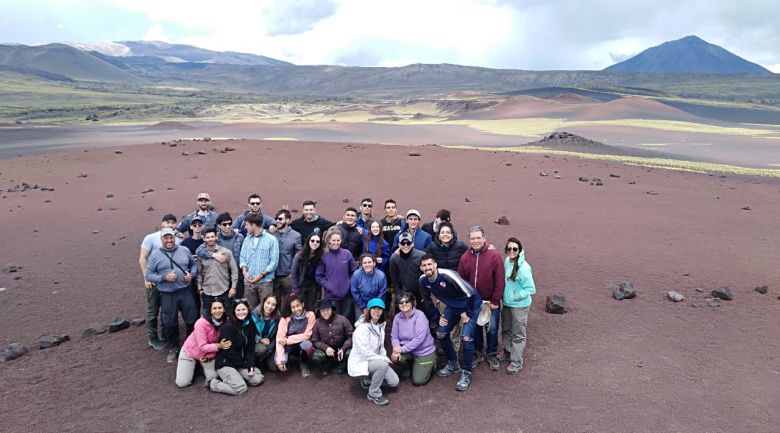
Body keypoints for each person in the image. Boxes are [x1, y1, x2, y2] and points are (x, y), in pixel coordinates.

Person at [419, 254, 482, 391]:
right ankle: (454, 364)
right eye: (424, 265)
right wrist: (437, 317)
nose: (427, 268)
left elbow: (469, 293)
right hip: (454, 306)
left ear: (435, 265)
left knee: (466, 337)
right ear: (421, 268)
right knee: (441, 334)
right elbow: (427, 301)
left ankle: (466, 372)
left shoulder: (448, 275)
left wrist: (466, 313)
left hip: (471, 305)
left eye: (429, 264)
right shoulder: (423, 280)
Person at [145, 228, 198, 363]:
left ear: (175, 238)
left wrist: (191, 275)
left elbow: (194, 265)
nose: (169, 240)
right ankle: (173, 348)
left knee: (192, 319)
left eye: (171, 238)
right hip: (167, 294)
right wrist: (164, 277)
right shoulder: (155, 255)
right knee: (169, 323)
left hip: (185, 291)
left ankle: (189, 345)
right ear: (162, 239)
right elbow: (149, 274)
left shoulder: (184, 250)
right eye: (166, 238)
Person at [457, 226, 505, 371]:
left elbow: (500, 280)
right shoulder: (465, 258)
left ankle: (491, 353)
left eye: (478, 238)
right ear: (469, 240)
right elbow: (462, 282)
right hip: (473, 302)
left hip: (490, 302)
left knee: (492, 328)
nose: (476, 241)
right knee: (476, 328)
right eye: (473, 238)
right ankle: (478, 352)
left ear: (484, 239)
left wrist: (496, 301)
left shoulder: (494, 255)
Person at [425, 221, 468, 352]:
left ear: (452, 234)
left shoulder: (460, 246)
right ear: (438, 234)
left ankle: (454, 347)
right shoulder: (432, 247)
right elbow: (424, 261)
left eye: (448, 232)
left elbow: (473, 254)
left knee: (455, 319)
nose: (445, 235)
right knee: (443, 317)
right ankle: (446, 345)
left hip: (456, 290)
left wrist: (489, 247)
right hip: (440, 291)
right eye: (442, 232)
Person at [139, 213, 179, 351]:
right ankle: (152, 338)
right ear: (162, 223)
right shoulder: (151, 238)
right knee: (153, 310)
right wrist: (146, 277)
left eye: (173, 222)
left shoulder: (177, 239)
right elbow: (143, 258)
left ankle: (164, 336)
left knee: (166, 309)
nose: (170, 225)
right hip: (154, 281)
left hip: (170, 282)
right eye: (167, 222)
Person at [348, 298, 399, 406]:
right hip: (361, 362)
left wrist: (383, 357)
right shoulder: (361, 328)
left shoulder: (380, 325)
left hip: (375, 361)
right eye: (374, 308)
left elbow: (381, 348)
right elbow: (365, 352)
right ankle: (373, 393)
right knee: (382, 364)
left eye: (380, 309)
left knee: (394, 382)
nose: (377, 311)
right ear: (368, 311)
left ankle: (369, 380)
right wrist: (383, 360)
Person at [210, 299, 264, 395]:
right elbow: (228, 353)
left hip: (240, 362)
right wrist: (245, 364)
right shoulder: (227, 327)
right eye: (238, 310)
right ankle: (214, 383)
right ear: (234, 311)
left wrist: (250, 364)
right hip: (226, 363)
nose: (241, 312)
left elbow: (250, 348)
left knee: (258, 379)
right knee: (241, 389)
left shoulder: (249, 325)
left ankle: (236, 377)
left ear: (247, 310)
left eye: (243, 309)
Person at [175, 300, 231, 388]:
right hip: (190, 352)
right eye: (214, 308)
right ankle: (191, 363)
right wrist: (219, 346)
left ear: (224, 309)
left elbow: (220, 344)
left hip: (207, 355)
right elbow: (203, 347)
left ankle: (199, 366)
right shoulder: (201, 323)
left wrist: (209, 356)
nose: (217, 311)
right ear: (210, 311)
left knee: (214, 376)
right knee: (182, 383)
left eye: (220, 308)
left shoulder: (226, 323)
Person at [502, 237, 536, 375]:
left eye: (515, 249)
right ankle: (508, 351)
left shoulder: (524, 268)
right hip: (507, 303)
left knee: (518, 334)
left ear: (519, 250)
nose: (512, 251)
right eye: (509, 248)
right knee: (506, 329)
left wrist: (516, 296)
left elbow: (531, 288)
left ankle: (516, 362)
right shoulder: (507, 261)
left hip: (519, 306)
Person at [390, 292, 436, 386]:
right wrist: (396, 348)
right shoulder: (397, 318)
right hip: (409, 351)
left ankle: (432, 362)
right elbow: (394, 337)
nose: (404, 304)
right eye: (401, 302)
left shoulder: (420, 316)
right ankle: (412, 366)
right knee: (394, 358)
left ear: (412, 303)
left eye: (407, 301)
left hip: (423, 352)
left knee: (418, 381)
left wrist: (401, 349)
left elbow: (419, 339)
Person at [316, 228, 358, 320]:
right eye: (333, 240)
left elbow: (354, 272)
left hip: (347, 295)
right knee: (334, 320)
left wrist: (349, 283)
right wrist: (328, 285)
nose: (336, 242)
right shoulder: (324, 255)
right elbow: (318, 276)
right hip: (331, 296)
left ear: (341, 240)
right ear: (329, 241)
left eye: (338, 240)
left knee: (346, 320)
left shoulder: (347, 254)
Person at [239, 213, 279, 309]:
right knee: (249, 310)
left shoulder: (271, 239)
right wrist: (244, 271)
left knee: (266, 310)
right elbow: (242, 257)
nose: (245, 227)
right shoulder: (247, 239)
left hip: (265, 282)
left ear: (253, 225)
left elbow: (274, 262)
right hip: (249, 282)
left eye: (247, 225)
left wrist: (261, 275)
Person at [197, 228, 238, 315]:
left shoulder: (226, 252)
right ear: (204, 239)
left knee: (227, 317)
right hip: (207, 292)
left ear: (216, 237)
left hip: (224, 291)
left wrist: (233, 287)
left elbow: (234, 270)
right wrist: (200, 288)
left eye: (212, 236)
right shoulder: (201, 255)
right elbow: (199, 273)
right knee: (207, 318)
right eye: (207, 237)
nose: (210, 239)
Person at [274, 294, 316, 377]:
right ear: (290, 308)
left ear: (302, 304)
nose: (296, 309)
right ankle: (286, 360)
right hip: (288, 346)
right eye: (293, 307)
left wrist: (288, 340)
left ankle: (304, 362)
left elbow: (307, 335)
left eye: (298, 305)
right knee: (278, 364)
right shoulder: (285, 318)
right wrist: (280, 361)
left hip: (299, 343)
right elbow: (280, 339)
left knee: (308, 345)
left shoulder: (310, 315)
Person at [311, 299, 353, 376]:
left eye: (327, 309)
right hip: (327, 351)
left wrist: (344, 348)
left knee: (351, 353)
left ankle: (344, 366)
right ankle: (325, 367)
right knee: (316, 356)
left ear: (332, 309)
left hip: (342, 348)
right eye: (323, 310)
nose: (325, 312)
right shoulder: (317, 323)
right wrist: (325, 348)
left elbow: (351, 336)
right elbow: (315, 340)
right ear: (319, 312)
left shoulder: (343, 320)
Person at [272, 209, 302, 306]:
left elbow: (298, 256)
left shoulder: (296, 236)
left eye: (280, 219)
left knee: (289, 302)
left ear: (288, 220)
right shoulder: (273, 234)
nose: (277, 221)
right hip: (274, 276)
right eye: (276, 218)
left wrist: (293, 273)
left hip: (288, 276)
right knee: (275, 302)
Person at [388, 233, 425, 304]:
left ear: (412, 244)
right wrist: (399, 293)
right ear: (399, 245)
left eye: (408, 243)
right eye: (403, 243)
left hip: (420, 293)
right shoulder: (394, 257)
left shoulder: (421, 256)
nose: (405, 246)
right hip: (403, 293)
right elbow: (393, 277)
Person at [291, 232, 324, 309]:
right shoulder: (299, 255)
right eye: (312, 240)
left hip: (313, 288)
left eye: (317, 241)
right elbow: (293, 275)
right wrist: (296, 291)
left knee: (311, 309)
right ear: (308, 241)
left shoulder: (321, 257)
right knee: (301, 309)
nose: (315, 243)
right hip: (301, 286)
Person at [350, 254, 388, 320]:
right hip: (360, 304)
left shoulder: (381, 276)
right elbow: (355, 292)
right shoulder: (356, 275)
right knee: (361, 325)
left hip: (376, 304)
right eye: (364, 263)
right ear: (361, 265)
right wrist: (363, 307)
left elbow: (382, 293)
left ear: (374, 263)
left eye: (369, 262)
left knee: (375, 324)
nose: (367, 265)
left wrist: (373, 307)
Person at [250, 293, 280, 371]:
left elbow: (277, 336)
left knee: (274, 368)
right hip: (256, 343)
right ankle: (257, 360)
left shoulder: (277, 318)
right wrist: (260, 340)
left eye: (273, 305)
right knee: (261, 350)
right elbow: (249, 334)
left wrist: (270, 348)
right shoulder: (254, 315)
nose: (270, 307)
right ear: (263, 302)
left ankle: (264, 359)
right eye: (268, 303)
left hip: (269, 345)